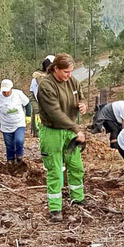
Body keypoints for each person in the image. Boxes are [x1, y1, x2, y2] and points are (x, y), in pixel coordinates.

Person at [36, 53, 88, 222]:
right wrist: (76, 128)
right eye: (66, 71)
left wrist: (83, 104)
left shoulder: (72, 81)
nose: (69, 75)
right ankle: (55, 208)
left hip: (69, 131)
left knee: (76, 165)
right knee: (55, 170)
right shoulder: (46, 86)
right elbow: (55, 113)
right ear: (56, 69)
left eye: (71, 71)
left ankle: (77, 198)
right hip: (52, 132)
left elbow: (81, 95)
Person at [0, 79, 32, 164]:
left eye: (7, 91)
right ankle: (10, 160)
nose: (6, 93)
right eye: (4, 91)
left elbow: (27, 104)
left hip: (19, 123)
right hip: (6, 125)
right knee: (9, 145)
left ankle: (19, 156)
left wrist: (28, 115)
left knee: (19, 141)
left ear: (11, 88)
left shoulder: (18, 94)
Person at [29, 55, 55, 136]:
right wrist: (37, 108)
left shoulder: (57, 79)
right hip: (39, 110)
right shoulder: (36, 79)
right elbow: (32, 95)